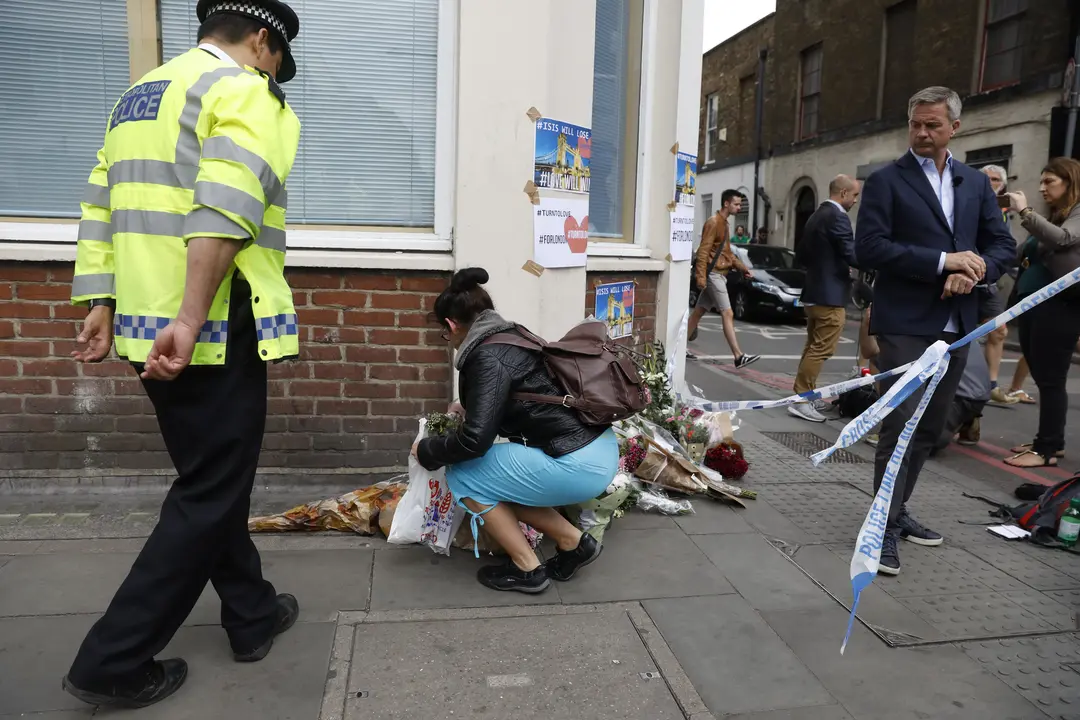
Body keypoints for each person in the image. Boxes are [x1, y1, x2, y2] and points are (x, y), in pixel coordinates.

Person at [64, 0, 302, 708]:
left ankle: (250, 613)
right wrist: (194, 317)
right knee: (208, 492)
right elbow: (226, 207)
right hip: (205, 327)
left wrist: (99, 306)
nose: (276, 72)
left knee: (210, 478)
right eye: (278, 59)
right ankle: (112, 660)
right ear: (262, 40)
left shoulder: (138, 97)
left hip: (145, 330)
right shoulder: (241, 90)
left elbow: (101, 209)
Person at [854, 86, 1015, 576]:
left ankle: (897, 511)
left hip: (957, 327)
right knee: (899, 426)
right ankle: (879, 528)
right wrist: (943, 262)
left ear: (955, 128)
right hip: (905, 323)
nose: (922, 133)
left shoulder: (974, 184)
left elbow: (1002, 246)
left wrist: (976, 270)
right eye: (916, 125)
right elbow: (870, 249)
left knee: (929, 430)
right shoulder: (886, 182)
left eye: (933, 126)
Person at [413, 268, 618, 593]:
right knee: (499, 482)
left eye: (444, 334)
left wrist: (427, 451)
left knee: (463, 473)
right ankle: (574, 543)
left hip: (576, 462)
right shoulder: (512, 335)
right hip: (598, 448)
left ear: (452, 325)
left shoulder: (485, 356)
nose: (448, 341)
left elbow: (474, 441)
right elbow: (522, 391)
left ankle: (528, 568)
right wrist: (466, 407)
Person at [1002, 157, 1080, 468]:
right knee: (1044, 375)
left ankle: (1046, 450)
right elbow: (1020, 253)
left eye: (1050, 182)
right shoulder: (1052, 217)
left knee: (1050, 379)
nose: (1041, 187)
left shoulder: (1074, 216)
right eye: (1042, 181)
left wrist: (1025, 212)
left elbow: (1063, 239)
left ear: (1069, 183)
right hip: (1035, 307)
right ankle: (1050, 441)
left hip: (1059, 308)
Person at [790, 174, 861, 422]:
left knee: (812, 347)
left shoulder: (815, 215)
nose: (854, 201)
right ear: (843, 194)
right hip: (829, 296)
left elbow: (801, 255)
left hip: (813, 291)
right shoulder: (838, 217)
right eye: (854, 196)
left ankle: (804, 396)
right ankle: (801, 399)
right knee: (821, 349)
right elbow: (852, 254)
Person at [688, 190, 760, 368]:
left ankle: (678, 347)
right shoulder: (713, 222)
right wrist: (701, 277)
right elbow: (703, 251)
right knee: (728, 313)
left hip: (719, 273)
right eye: (736, 204)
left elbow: (726, 253)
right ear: (726, 204)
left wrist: (743, 268)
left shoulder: (725, 224)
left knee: (698, 312)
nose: (739, 207)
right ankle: (738, 356)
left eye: (739, 204)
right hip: (714, 275)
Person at [977, 164, 1019, 407]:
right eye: (986, 178)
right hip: (965, 275)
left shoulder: (1002, 211)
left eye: (995, 179)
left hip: (989, 279)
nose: (990, 182)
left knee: (999, 330)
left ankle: (991, 385)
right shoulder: (971, 202)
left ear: (1002, 185)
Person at [932, 338, 992, 454]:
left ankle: (961, 419)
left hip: (959, 396)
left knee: (923, 442)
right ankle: (967, 421)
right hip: (978, 394)